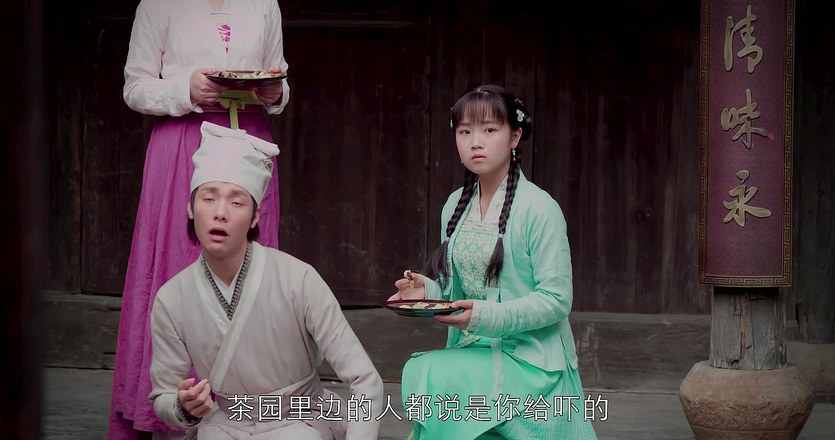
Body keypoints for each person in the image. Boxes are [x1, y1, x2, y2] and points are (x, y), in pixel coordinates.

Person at [110, 0, 291, 437]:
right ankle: (171, 408)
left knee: (251, 273)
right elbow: (135, 87)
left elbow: (279, 77)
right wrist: (185, 89)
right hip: (182, 143)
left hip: (248, 140)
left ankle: (245, 413)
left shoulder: (263, 4)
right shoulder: (157, 5)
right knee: (175, 265)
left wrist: (275, 93)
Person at [149, 121, 384, 440]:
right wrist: (182, 406)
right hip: (227, 422)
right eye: (208, 198)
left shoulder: (298, 279)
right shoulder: (172, 298)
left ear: (255, 216)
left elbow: (365, 381)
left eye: (236, 202)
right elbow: (162, 396)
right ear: (191, 208)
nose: (220, 213)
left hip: (300, 420)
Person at [389, 84, 598, 439]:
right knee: (425, 370)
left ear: (514, 137)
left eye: (489, 130)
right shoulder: (455, 206)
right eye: (465, 132)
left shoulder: (540, 209)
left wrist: (485, 316)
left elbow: (557, 299)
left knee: (434, 374)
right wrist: (426, 291)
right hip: (474, 348)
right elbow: (459, 292)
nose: (475, 142)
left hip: (529, 358)